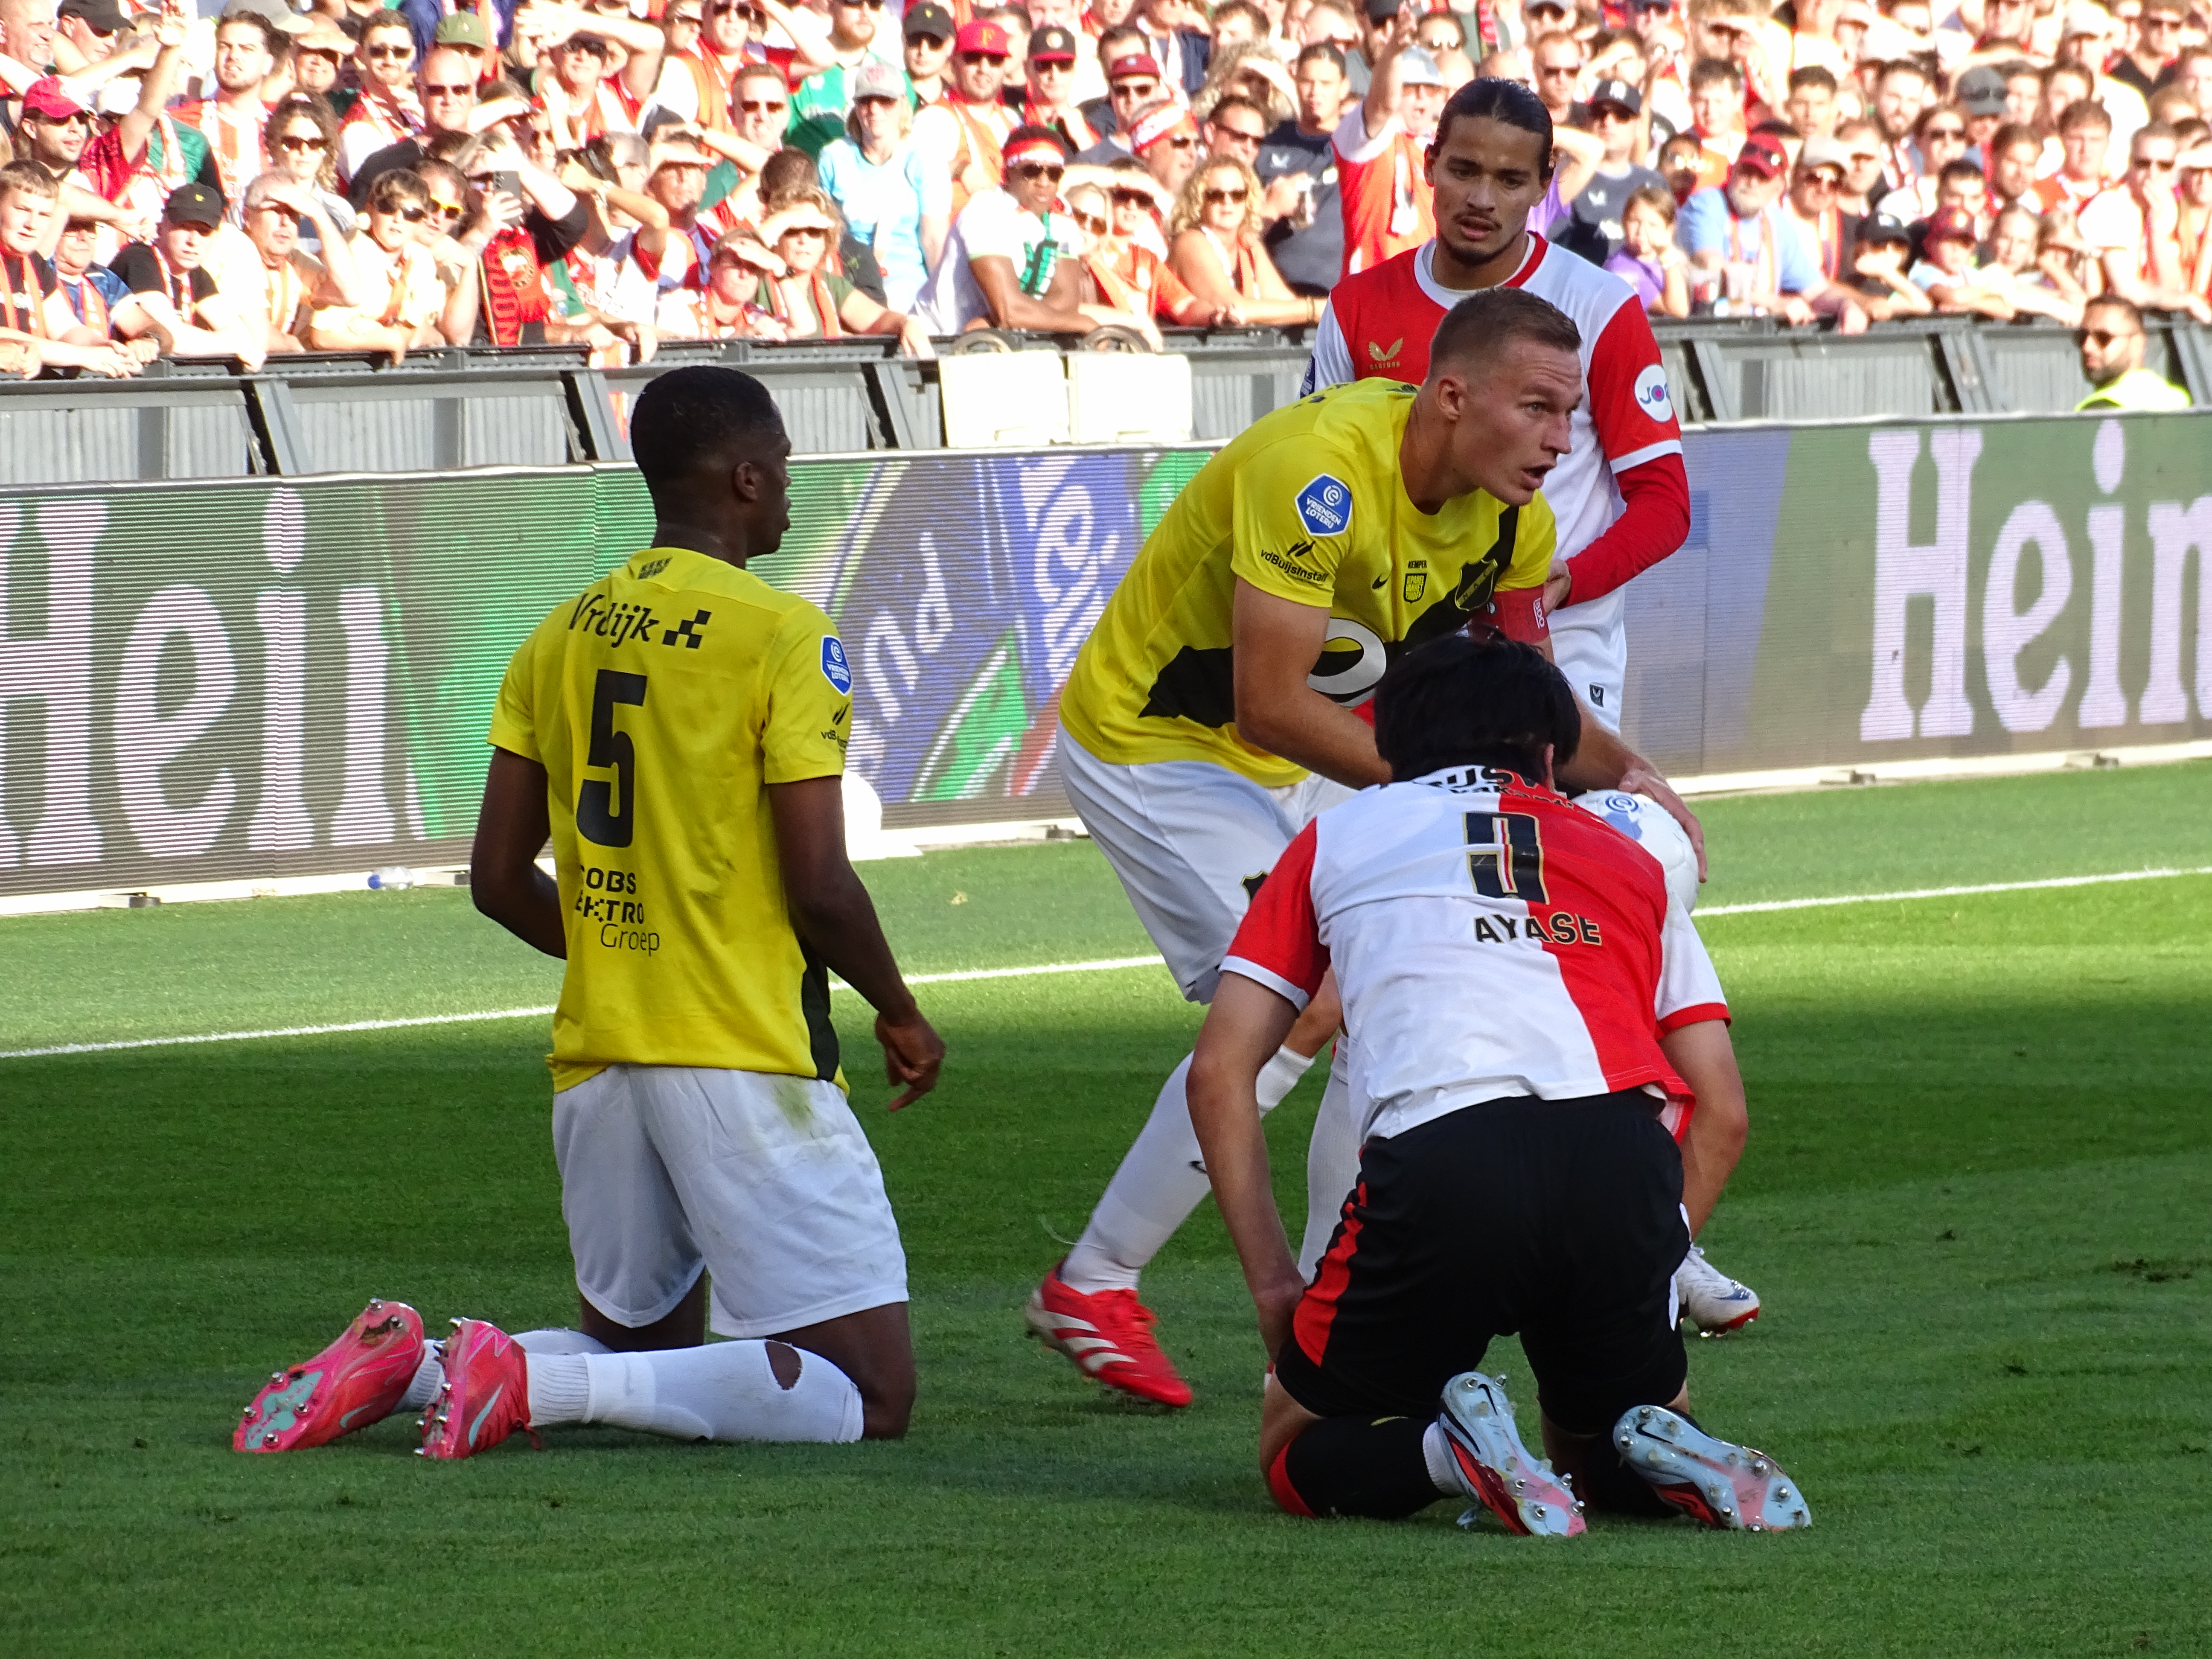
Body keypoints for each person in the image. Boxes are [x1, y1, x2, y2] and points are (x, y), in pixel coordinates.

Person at [234, 367, 944, 1462]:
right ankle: (517, 1379)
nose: (792, 490)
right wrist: (898, 1009)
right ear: (747, 477)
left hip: (599, 1053)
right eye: (787, 468)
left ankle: (413, 1367)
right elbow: (820, 882)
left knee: (639, 1339)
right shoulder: (783, 635)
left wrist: (629, 954)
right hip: (742, 1054)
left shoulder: (558, 634)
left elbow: (496, 876)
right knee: (869, 1391)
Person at [1027, 287, 1708, 1409]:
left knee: (1366, 995)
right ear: (1451, 396)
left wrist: (1636, 779)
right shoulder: (1320, 470)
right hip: (1156, 745)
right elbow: (1268, 704)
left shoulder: (1512, 519)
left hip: (1273, 769)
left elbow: (1523, 705)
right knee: (1317, 1000)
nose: (1558, 442)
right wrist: (1443, 800)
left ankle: (1345, 1313)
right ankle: (1099, 1282)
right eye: (1537, 408)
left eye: (1570, 417)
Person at [1303, 76, 1754, 1334]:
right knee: (1391, 974)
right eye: (1464, 171)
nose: (1483, 199)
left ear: (1544, 184)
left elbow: (1661, 504)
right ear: (1428, 167)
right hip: (1403, 681)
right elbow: (1326, 485)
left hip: (1549, 670)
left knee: (1551, 945)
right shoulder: (1355, 308)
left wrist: (1545, 581)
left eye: (1513, 178)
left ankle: (1642, 1222)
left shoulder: (1599, 308)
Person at [1188, 633, 1810, 1534]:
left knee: (1294, 1446)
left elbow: (1220, 1075)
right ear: (1550, 756)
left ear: (1388, 752)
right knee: (1596, 1451)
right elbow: (1722, 1109)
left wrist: (1276, 1286)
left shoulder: (1337, 838)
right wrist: (1646, 1260)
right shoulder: (1630, 860)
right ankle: (1669, 1442)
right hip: (1620, 1162)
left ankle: (1447, 1453)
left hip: (1449, 1164)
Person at [916, 123, 1113, 334]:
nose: (1044, 182)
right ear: (1007, 173)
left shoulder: (1062, 223)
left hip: (997, 339)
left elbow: (1066, 303)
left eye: (1054, 174)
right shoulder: (985, 212)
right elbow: (1008, 313)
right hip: (938, 342)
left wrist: (992, 321)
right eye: (1032, 171)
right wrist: (1084, 324)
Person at [1679, 133, 1867, 327]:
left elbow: (1817, 291)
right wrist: (1774, 302)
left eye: (1763, 177)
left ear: (1779, 188)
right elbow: (1711, 267)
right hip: (1699, 333)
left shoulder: (1776, 223)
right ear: (1732, 171)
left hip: (1749, 338)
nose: (1753, 183)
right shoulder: (1707, 204)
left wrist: (1846, 305)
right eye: (1747, 172)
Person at [817, 58, 949, 313]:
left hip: (907, 284)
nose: (874, 110)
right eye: (866, 101)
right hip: (850, 280)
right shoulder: (834, 157)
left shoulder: (924, 159)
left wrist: (941, 304)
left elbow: (934, 240)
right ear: (855, 107)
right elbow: (824, 235)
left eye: (885, 101)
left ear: (902, 104)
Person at [0, 160, 143, 375]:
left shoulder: (35, 263)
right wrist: (83, 356)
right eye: (22, 210)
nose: (32, 224)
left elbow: (66, 328)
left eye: (44, 215)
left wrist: (103, 347)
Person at [108, 179, 268, 367]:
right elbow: (172, 337)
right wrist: (234, 347)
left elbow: (241, 334)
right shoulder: (138, 258)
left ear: (216, 236)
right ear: (164, 225)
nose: (193, 241)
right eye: (184, 227)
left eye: (204, 232)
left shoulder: (196, 273)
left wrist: (237, 344)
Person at [759, 190, 933, 352]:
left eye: (814, 231)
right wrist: (784, 219)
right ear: (777, 235)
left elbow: (878, 319)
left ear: (826, 242)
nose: (804, 239)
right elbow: (744, 249)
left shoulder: (831, 284)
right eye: (793, 230)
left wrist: (908, 323)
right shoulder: (753, 278)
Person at [1166, 155, 1326, 324]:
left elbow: (1285, 301)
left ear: (1248, 200)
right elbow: (1234, 308)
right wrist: (1313, 309)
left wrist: (1322, 311)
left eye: (1238, 195)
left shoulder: (1248, 243)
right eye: (1215, 195)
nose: (1227, 202)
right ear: (1199, 201)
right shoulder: (1190, 242)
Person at [305, 166, 444, 356]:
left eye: (411, 213)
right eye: (388, 208)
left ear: (422, 220)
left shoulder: (421, 258)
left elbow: (412, 324)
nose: (398, 219)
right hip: (326, 363)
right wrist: (387, 340)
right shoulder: (353, 255)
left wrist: (400, 337)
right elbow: (321, 337)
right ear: (370, 209)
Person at [1254, 41, 1350, 294]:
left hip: (1338, 291)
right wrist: (1272, 206)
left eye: (1326, 84)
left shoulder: (1355, 146)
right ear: (1295, 83)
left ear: (1344, 88)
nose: (1314, 92)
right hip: (1276, 291)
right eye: (1307, 82)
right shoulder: (1267, 143)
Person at [239, 169, 364, 353]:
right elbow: (260, 338)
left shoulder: (294, 261)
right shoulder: (234, 249)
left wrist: (318, 215)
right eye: (275, 210)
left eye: (293, 213)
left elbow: (351, 295)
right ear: (247, 217)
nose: (285, 222)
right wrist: (294, 346)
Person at [911, 17, 1019, 215]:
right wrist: (960, 169)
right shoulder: (935, 118)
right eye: (973, 58)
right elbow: (913, 172)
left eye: (994, 60)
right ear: (953, 64)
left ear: (1005, 67)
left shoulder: (1012, 120)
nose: (984, 69)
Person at [1554, 77, 1668, 266]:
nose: (1608, 122)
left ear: (1639, 126)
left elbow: (1670, 248)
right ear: (1587, 119)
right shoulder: (1566, 174)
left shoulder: (1654, 182)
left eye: (1621, 115)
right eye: (1600, 113)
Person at [262, 93, 355, 255]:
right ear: (274, 145)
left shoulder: (342, 211)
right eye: (292, 143)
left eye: (315, 144)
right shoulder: (250, 205)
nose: (304, 151)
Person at [338, 12, 421, 186]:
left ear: (412, 55)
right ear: (361, 55)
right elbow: (379, 195)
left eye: (400, 52)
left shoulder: (416, 112)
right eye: (378, 51)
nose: (389, 60)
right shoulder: (358, 130)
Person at [2074, 294, 2192, 408]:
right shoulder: (2179, 400)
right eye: (2082, 337)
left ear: (2138, 343)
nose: (2087, 347)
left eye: (2103, 338)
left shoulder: (2097, 411)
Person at [1908, 202, 2015, 318]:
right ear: (1930, 244)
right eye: (1948, 241)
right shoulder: (1922, 271)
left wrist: (1970, 305)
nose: (1957, 249)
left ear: (1972, 249)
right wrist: (1988, 290)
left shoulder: (1967, 272)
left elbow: (2007, 310)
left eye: (1965, 243)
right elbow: (1954, 297)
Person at [1605, 181, 1690, 316]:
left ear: (1669, 230)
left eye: (1653, 225)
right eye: (1635, 221)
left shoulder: (1662, 261)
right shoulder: (1622, 269)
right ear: (1623, 222)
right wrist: (1667, 254)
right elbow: (1678, 311)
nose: (1642, 231)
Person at [1839, 210, 1933, 319]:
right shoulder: (1853, 283)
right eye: (1880, 244)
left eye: (1898, 245)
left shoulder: (1896, 284)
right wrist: (1886, 272)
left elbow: (1924, 305)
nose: (1889, 251)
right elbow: (1922, 306)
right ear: (1861, 248)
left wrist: (1888, 274)